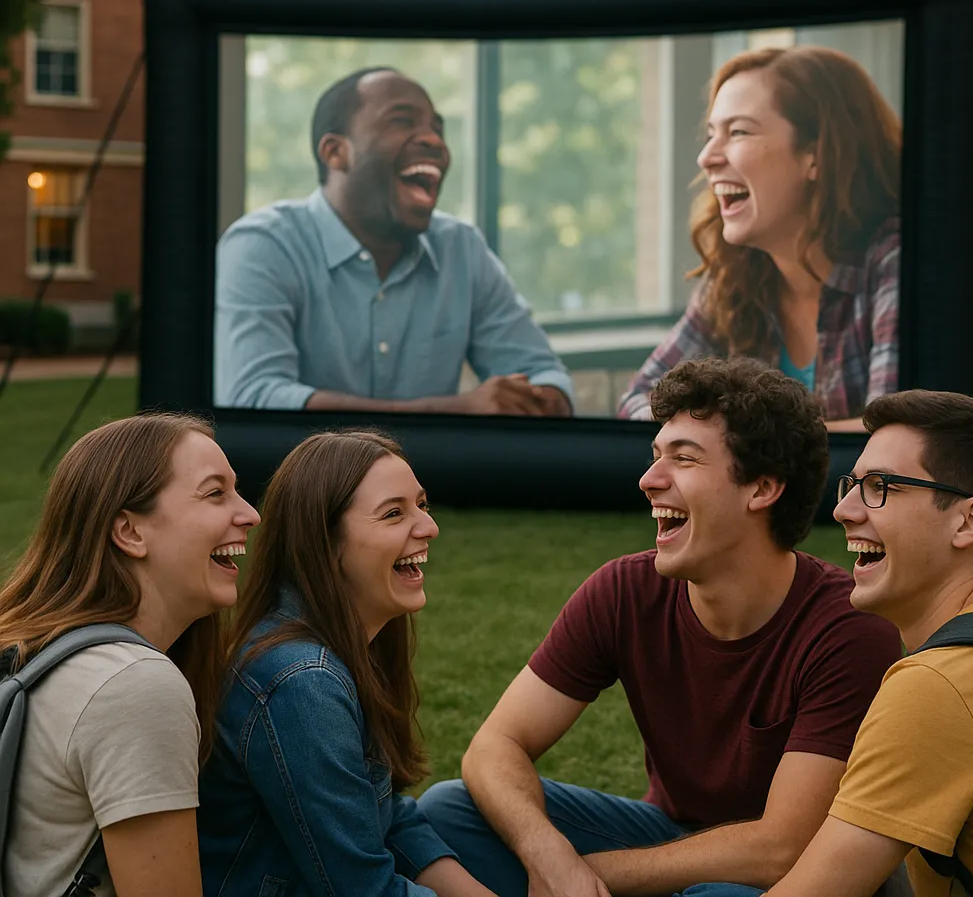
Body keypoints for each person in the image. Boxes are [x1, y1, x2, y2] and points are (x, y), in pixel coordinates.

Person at [418, 357, 903, 897]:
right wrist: (548, 855)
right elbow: (494, 746)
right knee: (449, 811)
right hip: (668, 834)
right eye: (655, 456)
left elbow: (781, 848)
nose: (649, 480)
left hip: (791, 878)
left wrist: (587, 877)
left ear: (761, 489)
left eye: (684, 459)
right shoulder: (625, 590)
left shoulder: (850, 629)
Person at [197, 429, 497, 897]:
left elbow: (385, 813)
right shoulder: (301, 679)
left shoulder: (348, 642)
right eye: (394, 513)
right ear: (325, 542)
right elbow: (362, 890)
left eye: (422, 505)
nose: (428, 527)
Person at [761, 390, 973, 897]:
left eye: (881, 487)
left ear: (968, 521)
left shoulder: (939, 688)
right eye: (852, 484)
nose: (842, 509)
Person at [0, 413, 260, 897]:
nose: (250, 514)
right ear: (130, 532)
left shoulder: (38, 649)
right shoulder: (135, 685)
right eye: (215, 493)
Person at [216, 66, 573, 417]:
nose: (434, 140)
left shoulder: (461, 249)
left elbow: (544, 373)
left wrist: (537, 399)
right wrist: (457, 410)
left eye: (437, 128)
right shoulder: (262, 246)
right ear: (335, 152)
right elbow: (255, 397)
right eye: (402, 121)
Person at [618, 46, 901, 432]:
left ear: (816, 155)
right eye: (710, 134)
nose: (706, 157)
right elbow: (640, 401)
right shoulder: (735, 276)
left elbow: (896, 434)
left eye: (738, 131)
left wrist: (739, 435)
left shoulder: (892, 259)